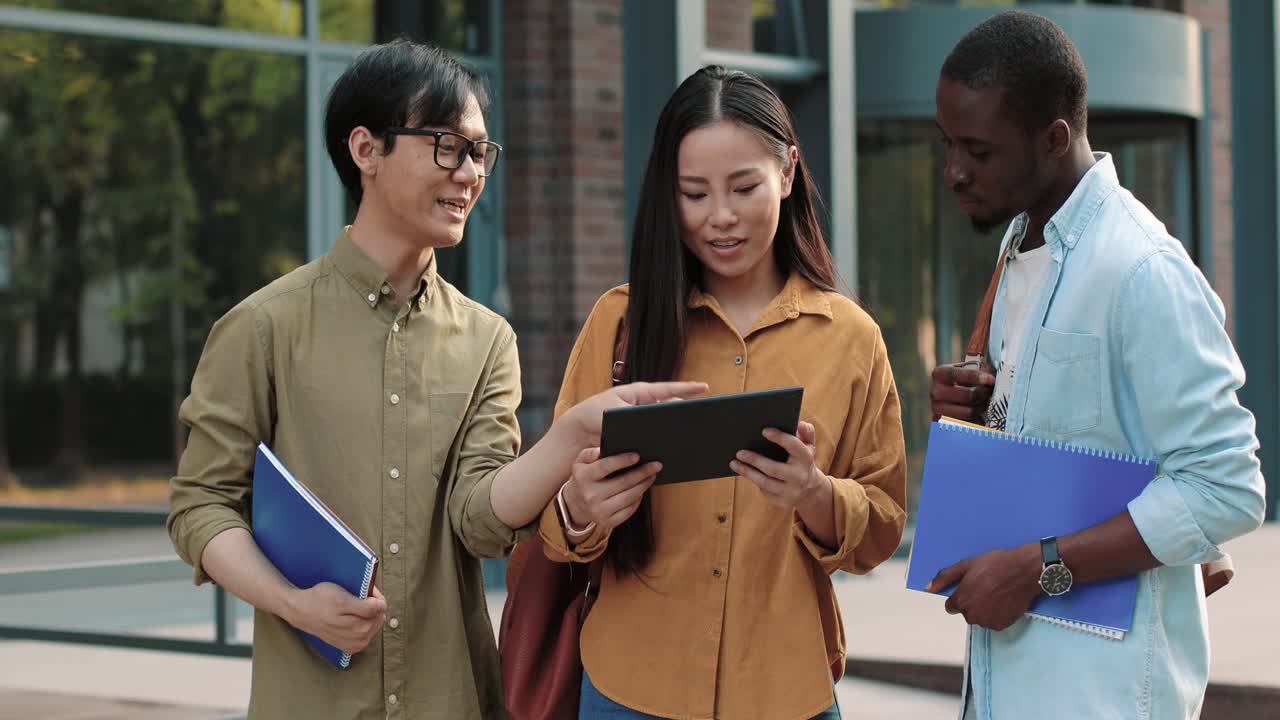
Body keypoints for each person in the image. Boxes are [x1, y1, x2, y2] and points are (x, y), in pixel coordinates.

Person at [167, 39, 703, 719]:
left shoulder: (488, 340)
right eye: (447, 147)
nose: (469, 174)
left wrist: (569, 437)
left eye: (480, 152)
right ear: (366, 149)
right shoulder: (261, 327)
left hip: (452, 701)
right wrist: (294, 604)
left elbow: (479, 524)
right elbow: (202, 504)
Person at [531, 65, 908, 720]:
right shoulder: (619, 323)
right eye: (694, 194)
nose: (721, 217)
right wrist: (580, 507)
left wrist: (814, 494)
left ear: (787, 172)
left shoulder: (851, 339)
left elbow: (882, 527)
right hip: (629, 688)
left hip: (786, 690)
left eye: (743, 187)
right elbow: (549, 516)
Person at [926, 11, 1266, 719]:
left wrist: (1040, 567)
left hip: (1103, 697)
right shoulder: (1020, 243)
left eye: (978, 150)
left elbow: (1227, 486)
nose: (953, 171)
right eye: (948, 143)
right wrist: (976, 414)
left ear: (1054, 139)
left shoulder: (1141, 269)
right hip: (1006, 683)